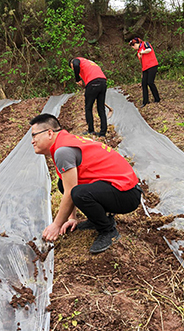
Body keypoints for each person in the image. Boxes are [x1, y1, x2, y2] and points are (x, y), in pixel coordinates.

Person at [30, 114, 142, 254]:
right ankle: (96, 219)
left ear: (49, 133)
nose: (32, 141)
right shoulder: (65, 142)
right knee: (62, 184)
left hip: (127, 194)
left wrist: (56, 225)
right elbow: (68, 185)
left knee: (78, 193)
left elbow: (71, 191)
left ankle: (108, 231)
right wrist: (72, 218)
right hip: (120, 189)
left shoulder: (63, 151)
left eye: (34, 136)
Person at [69, 57, 108, 137]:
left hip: (93, 83)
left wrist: (77, 79)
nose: (73, 69)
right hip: (103, 82)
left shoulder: (77, 60)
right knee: (101, 108)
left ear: (72, 64)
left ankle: (91, 130)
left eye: (72, 67)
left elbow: (76, 64)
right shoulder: (89, 62)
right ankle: (103, 133)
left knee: (88, 107)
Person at [129, 37, 160, 107]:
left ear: (136, 44)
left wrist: (142, 52)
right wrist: (142, 72)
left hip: (152, 65)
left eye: (133, 46)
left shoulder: (145, 44)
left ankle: (157, 98)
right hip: (145, 68)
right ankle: (145, 101)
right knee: (144, 84)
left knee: (150, 82)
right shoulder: (138, 52)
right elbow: (142, 62)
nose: (133, 48)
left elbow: (149, 49)